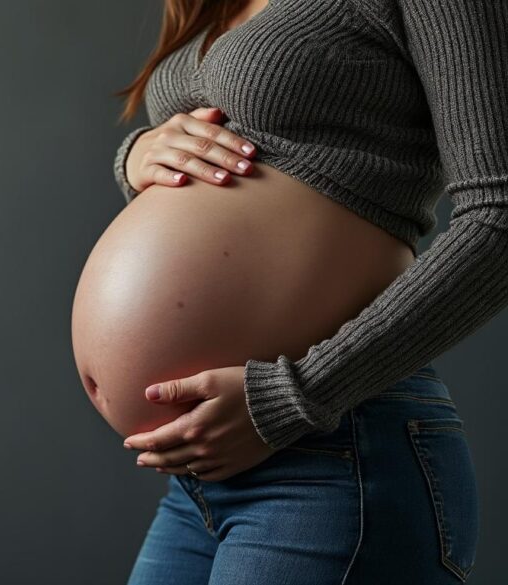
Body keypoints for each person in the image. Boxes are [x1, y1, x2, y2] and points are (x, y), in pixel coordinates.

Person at [110, 0, 507, 582]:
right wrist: (139, 154)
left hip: (340, 452)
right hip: (201, 485)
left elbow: (500, 214)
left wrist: (296, 395)